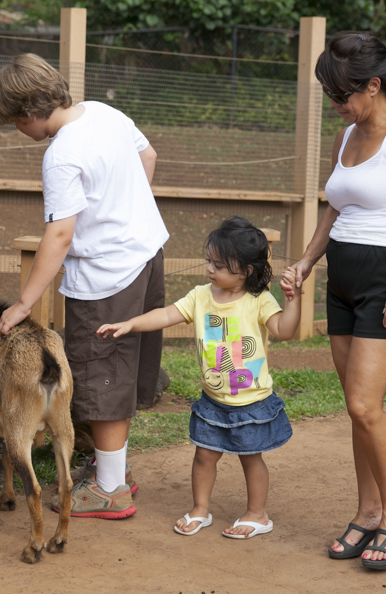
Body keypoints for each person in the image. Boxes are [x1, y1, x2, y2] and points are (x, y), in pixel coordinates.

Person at [286, 32, 386, 570]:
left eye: (342, 95)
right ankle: (367, 511)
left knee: (364, 405)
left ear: (373, 85)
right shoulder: (347, 135)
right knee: (356, 411)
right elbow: (335, 209)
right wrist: (308, 261)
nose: (338, 105)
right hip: (342, 278)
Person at [0, 53, 169, 520]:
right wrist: (124, 211)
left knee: (103, 376)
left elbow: (60, 234)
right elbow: (149, 156)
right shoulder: (106, 113)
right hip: (146, 255)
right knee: (123, 370)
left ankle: (109, 492)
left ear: (26, 114)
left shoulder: (61, 154)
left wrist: (25, 302)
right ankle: (113, 474)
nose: (16, 129)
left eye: (13, 122)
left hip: (107, 276)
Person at [97, 216, 301, 538]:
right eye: (209, 261)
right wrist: (131, 324)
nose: (210, 268)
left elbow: (284, 330)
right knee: (204, 455)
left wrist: (294, 301)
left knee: (251, 458)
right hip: (213, 400)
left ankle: (257, 514)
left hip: (251, 402)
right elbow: (166, 314)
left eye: (219, 265)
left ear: (245, 270)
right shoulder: (200, 296)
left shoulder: (259, 300)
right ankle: (200, 509)